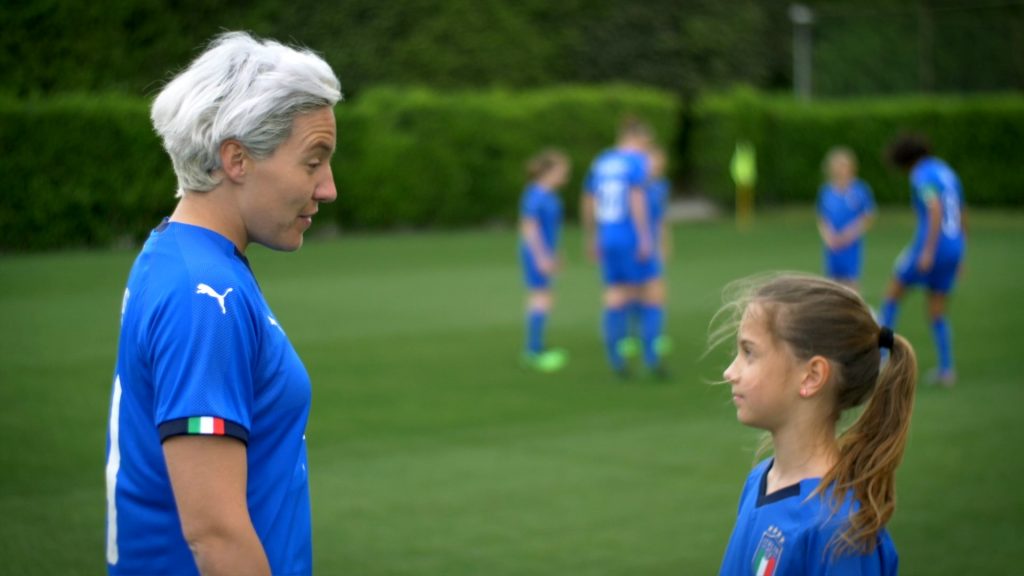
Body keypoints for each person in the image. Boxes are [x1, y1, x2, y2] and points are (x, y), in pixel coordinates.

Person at [104, 32, 341, 576]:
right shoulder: (204, 295)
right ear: (236, 159)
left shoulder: (180, 256)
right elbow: (215, 535)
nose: (328, 188)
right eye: (313, 162)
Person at [713, 274, 916, 576]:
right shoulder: (760, 478)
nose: (730, 371)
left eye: (749, 352)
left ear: (811, 376)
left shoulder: (838, 529)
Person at [880, 135, 966, 387]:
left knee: (891, 296)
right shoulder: (946, 171)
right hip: (954, 246)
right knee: (937, 309)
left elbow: (934, 207)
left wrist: (927, 251)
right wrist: (962, 253)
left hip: (932, 246)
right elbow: (962, 210)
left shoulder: (921, 175)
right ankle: (947, 370)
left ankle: (882, 359)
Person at [582, 117, 654, 377]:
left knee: (614, 293)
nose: (647, 146)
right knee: (647, 292)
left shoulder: (601, 161)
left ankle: (615, 359)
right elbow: (636, 197)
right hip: (628, 235)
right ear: (634, 137)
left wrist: (592, 236)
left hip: (607, 235)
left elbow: (588, 199)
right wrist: (644, 236)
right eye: (646, 141)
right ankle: (648, 357)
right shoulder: (635, 161)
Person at [622, 146, 672, 377]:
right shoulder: (633, 187)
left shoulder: (661, 187)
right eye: (653, 162)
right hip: (635, 247)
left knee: (651, 293)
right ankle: (640, 345)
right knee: (638, 292)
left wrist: (663, 243)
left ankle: (646, 343)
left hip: (649, 247)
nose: (656, 167)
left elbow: (661, 218)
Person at [519, 149, 571, 372]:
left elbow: (550, 229)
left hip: (544, 252)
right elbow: (529, 228)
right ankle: (533, 351)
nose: (566, 174)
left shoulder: (550, 196)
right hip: (535, 253)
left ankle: (536, 347)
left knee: (545, 298)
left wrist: (555, 252)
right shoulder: (535, 194)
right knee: (540, 297)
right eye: (562, 170)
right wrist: (541, 257)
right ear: (548, 171)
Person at [816, 147, 876, 291]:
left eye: (844, 166)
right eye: (837, 166)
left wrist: (849, 234)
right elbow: (822, 217)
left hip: (850, 244)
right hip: (832, 245)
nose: (841, 170)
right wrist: (828, 236)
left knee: (850, 283)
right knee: (832, 283)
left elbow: (868, 216)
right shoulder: (826, 191)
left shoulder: (860, 190)